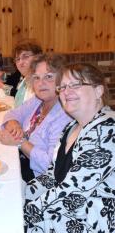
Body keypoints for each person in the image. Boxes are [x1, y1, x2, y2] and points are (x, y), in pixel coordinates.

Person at [24, 63, 115, 232]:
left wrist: (25, 211)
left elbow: (72, 194)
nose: (66, 91)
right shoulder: (71, 127)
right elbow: (52, 175)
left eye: (76, 85)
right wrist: (23, 194)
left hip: (92, 220)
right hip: (65, 210)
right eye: (63, 87)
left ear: (98, 91)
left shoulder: (107, 131)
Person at [0, 54, 72, 182]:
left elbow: (50, 166)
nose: (41, 83)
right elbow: (12, 114)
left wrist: (20, 142)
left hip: (38, 181)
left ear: (61, 79)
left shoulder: (64, 115)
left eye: (48, 77)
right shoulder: (38, 100)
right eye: (36, 78)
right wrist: (14, 124)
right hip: (22, 162)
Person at [0, 39, 42, 104]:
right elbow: (13, 80)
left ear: (38, 57)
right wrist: (3, 76)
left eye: (25, 57)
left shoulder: (40, 83)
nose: (20, 62)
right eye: (17, 59)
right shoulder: (26, 79)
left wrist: (2, 86)